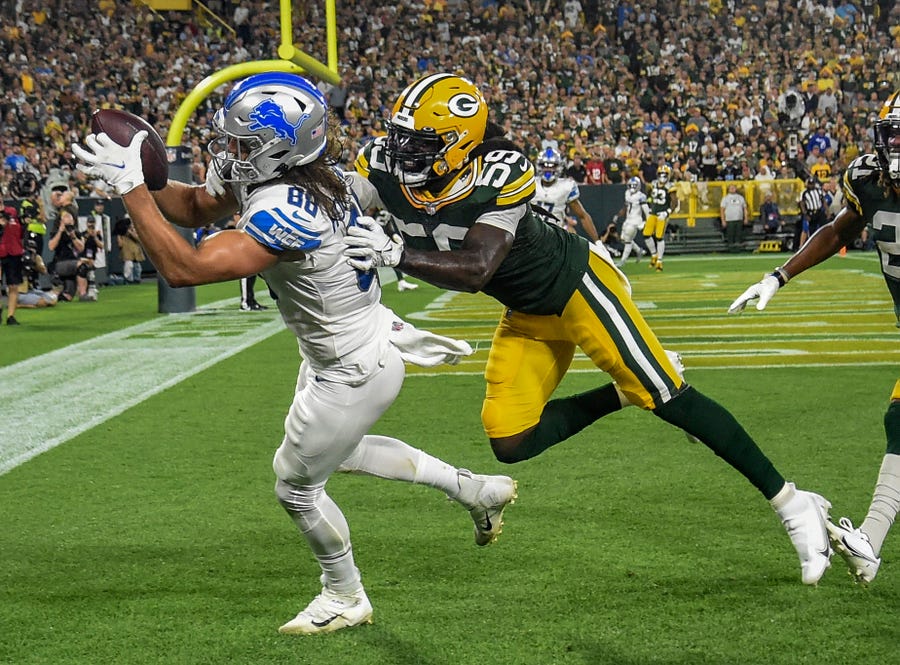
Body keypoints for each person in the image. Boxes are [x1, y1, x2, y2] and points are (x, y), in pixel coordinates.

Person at [346, 72, 834, 586]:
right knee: (509, 439)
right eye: (400, 137)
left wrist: (395, 254)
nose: (402, 153)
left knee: (668, 397)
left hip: (576, 287)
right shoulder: (381, 163)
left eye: (421, 144)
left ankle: (792, 503)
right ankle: (624, 395)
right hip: (527, 314)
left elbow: (477, 268)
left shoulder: (501, 170)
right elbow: (338, 212)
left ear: (459, 144)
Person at [72, 72, 517, 634]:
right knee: (341, 453)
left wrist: (131, 190)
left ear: (279, 147)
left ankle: (345, 594)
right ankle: (474, 490)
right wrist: (143, 174)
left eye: (242, 143)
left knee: (296, 485)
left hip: (352, 368)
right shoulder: (288, 171)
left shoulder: (290, 205)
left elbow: (184, 269)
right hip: (354, 348)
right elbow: (193, 206)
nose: (230, 152)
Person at [728, 89, 900, 585]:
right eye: (894, 136)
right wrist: (777, 277)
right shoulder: (868, 180)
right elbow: (839, 230)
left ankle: (868, 540)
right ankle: (869, 540)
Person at [531, 147, 599, 242]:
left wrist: (598, 242)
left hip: (554, 238)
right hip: (531, 237)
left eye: (552, 166)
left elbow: (583, 216)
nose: (548, 170)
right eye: (545, 165)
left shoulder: (566, 186)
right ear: (539, 166)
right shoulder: (530, 184)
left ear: (558, 167)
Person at [642, 163, 676, 271]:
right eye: (661, 174)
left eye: (665, 174)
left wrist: (667, 212)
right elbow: (648, 196)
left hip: (662, 214)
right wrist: (649, 206)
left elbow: (675, 202)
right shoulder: (653, 184)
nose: (662, 176)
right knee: (646, 234)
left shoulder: (670, 186)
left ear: (669, 175)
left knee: (659, 237)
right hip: (653, 213)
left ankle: (660, 261)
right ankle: (654, 255)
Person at [47, 209, 84, 302]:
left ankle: (56, 295)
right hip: (60, 264)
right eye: (66, 224)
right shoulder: (56, 233)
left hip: (73, 264)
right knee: (82, 266)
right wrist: (60, 231)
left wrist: (73, 237)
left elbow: (81, 248)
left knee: (67, 297)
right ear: (61, 223)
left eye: (70, 224)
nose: (68, 227)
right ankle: (83, 295)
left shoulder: (76, 233)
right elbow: (51, 247)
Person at [613, 176, 648, 267]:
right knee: (623, 239)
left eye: (634, 185)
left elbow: (646, 210)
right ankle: (639, 250)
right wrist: (618, 215)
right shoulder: (627, 193)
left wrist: (648, 220)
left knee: (628, 240)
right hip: (628, 220)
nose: (632, 187)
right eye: (631, 185)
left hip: (635, 220)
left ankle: (622, 261)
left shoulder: (641, 196)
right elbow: (626, 206)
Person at [0, 205, 25, 325]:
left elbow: (19, 232)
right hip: (1, 251)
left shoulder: (12, 211)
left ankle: (11, 316)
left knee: (13, 285)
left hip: (14, 252)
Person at [798, 176, 828, 249]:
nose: (811, 185)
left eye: (812, 184)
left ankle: (825, 244)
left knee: (824, 228)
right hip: (811, 213)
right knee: (811, 231)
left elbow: (823, 201)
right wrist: (805, 214)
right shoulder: (804, 193)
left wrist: (827, 211)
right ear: (808, 184)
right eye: (810, 184)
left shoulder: (819, 191)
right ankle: (812, 246)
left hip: (819, 211)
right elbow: (802, 204)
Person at [115, 217, 145, 284]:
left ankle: (137, 280)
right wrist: (119, 234)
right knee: (129, 266)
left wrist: (130, 231)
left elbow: (139, 239)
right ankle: (128, 281)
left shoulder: (134, 230)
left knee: (138, 268)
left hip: (136, 253)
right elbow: (120, 245)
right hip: (127, 254)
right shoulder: (121, 233)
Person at [720, 183, 749, 252]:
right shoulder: (725, 198)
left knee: (738, 234)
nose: (732, 189)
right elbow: (722, 210)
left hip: (739, 219)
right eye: (731, 188)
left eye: (733, 188)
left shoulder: (740, 198)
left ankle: (738, 248)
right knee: (730, 235)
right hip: (730, 219)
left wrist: (746, 218)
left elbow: (744, 208)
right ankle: (731, 249)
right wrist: (723, 220)